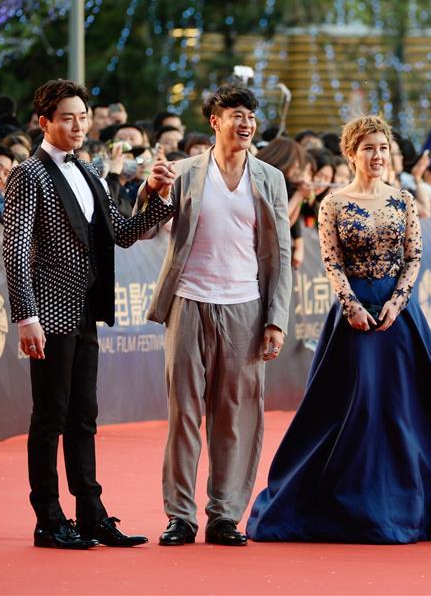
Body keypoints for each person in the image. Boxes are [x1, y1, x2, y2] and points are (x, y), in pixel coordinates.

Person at [248, 115, 431, 544]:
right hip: (352, 319)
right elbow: (332, 262)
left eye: (383, 148)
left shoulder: (403, 200)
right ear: (351, 154)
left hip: (399, 319)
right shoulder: (332, 202)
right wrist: (351, 304)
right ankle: (352, 503)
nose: (377, 156)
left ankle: (408, 501)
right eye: (368, 148)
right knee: (353, 410)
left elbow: (413, 259)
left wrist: (397, 301)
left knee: (405, 411)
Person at [2, 79, 173, 550]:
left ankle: (91, 513)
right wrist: (25, 316)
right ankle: (49, 519)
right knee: (50, 416)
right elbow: (16, 251)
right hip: (49, 312)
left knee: (84, 417)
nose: (78, 126)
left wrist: (154, 193)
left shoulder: (91, 170)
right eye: (67, 118)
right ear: (45, 122)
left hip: (86, 309)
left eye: (83, 116)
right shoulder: (29, 174)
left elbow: (122, 232)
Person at [136, 85, 291, 548]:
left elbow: (280, 254)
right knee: (183, 412)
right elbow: (143, 231)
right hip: (188, 301)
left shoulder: (270, 179)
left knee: (235, 416)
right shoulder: (183, 172)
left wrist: (275, 319)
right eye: (235, 115)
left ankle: (225, 515)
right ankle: (179, 516)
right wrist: (150, 189)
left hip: (245, 305)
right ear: (214, 121)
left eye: (250, 116)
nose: (245, 123)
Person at [256, 137, 311, 268]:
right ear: (284, 159)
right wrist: (299, 196)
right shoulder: (263, 180)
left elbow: (287, 225)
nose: (298, 167)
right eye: (296, 162)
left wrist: (300, 195)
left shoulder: (287, 184)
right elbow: (277, 221)